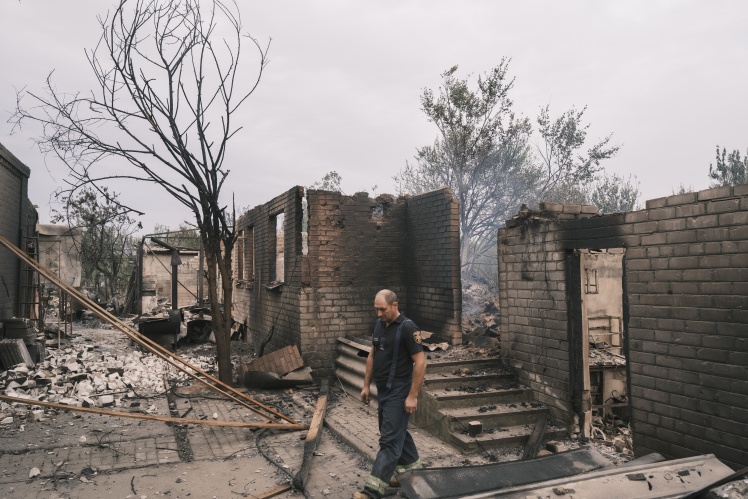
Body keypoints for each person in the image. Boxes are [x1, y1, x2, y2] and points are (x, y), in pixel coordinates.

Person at [355, 289, 427, 499]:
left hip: (399, 390)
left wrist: (412, 396)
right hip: (384, 389)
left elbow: (421, 362)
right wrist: (366, 385)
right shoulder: (379, 325)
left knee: (389, 440)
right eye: (376, 309)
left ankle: (372, 491)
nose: (378, 314)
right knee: (398, 434)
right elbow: (372, 355)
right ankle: (414, 476)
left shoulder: (408, 328)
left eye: (382, 309)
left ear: (395, 305)